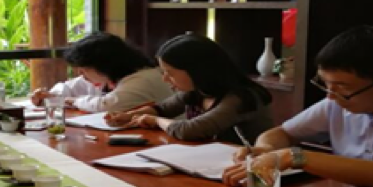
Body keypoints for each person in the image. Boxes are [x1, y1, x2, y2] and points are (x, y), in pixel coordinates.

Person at [223, 26, 373, 187]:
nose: (330, 97)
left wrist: (295, 156)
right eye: (325, 85)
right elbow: (282, 133)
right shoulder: (341, 100)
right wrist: (266, 149)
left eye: (342, 87)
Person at [106, 34, 273, 142]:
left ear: (196, 71)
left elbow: (189, 130)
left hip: (250, 168)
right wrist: (128, 116)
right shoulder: (199, 91)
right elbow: (162, 109)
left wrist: (156, 121)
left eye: (170, 73)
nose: (165, 79)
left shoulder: (241, 98)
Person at [30, 32, 173, 113]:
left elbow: (107, 105)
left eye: (84, 69)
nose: (81, 75)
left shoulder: (143, 79)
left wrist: (74, 101)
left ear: (103, 65)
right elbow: (69, 88)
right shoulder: (108, 77)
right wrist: (48, 96)